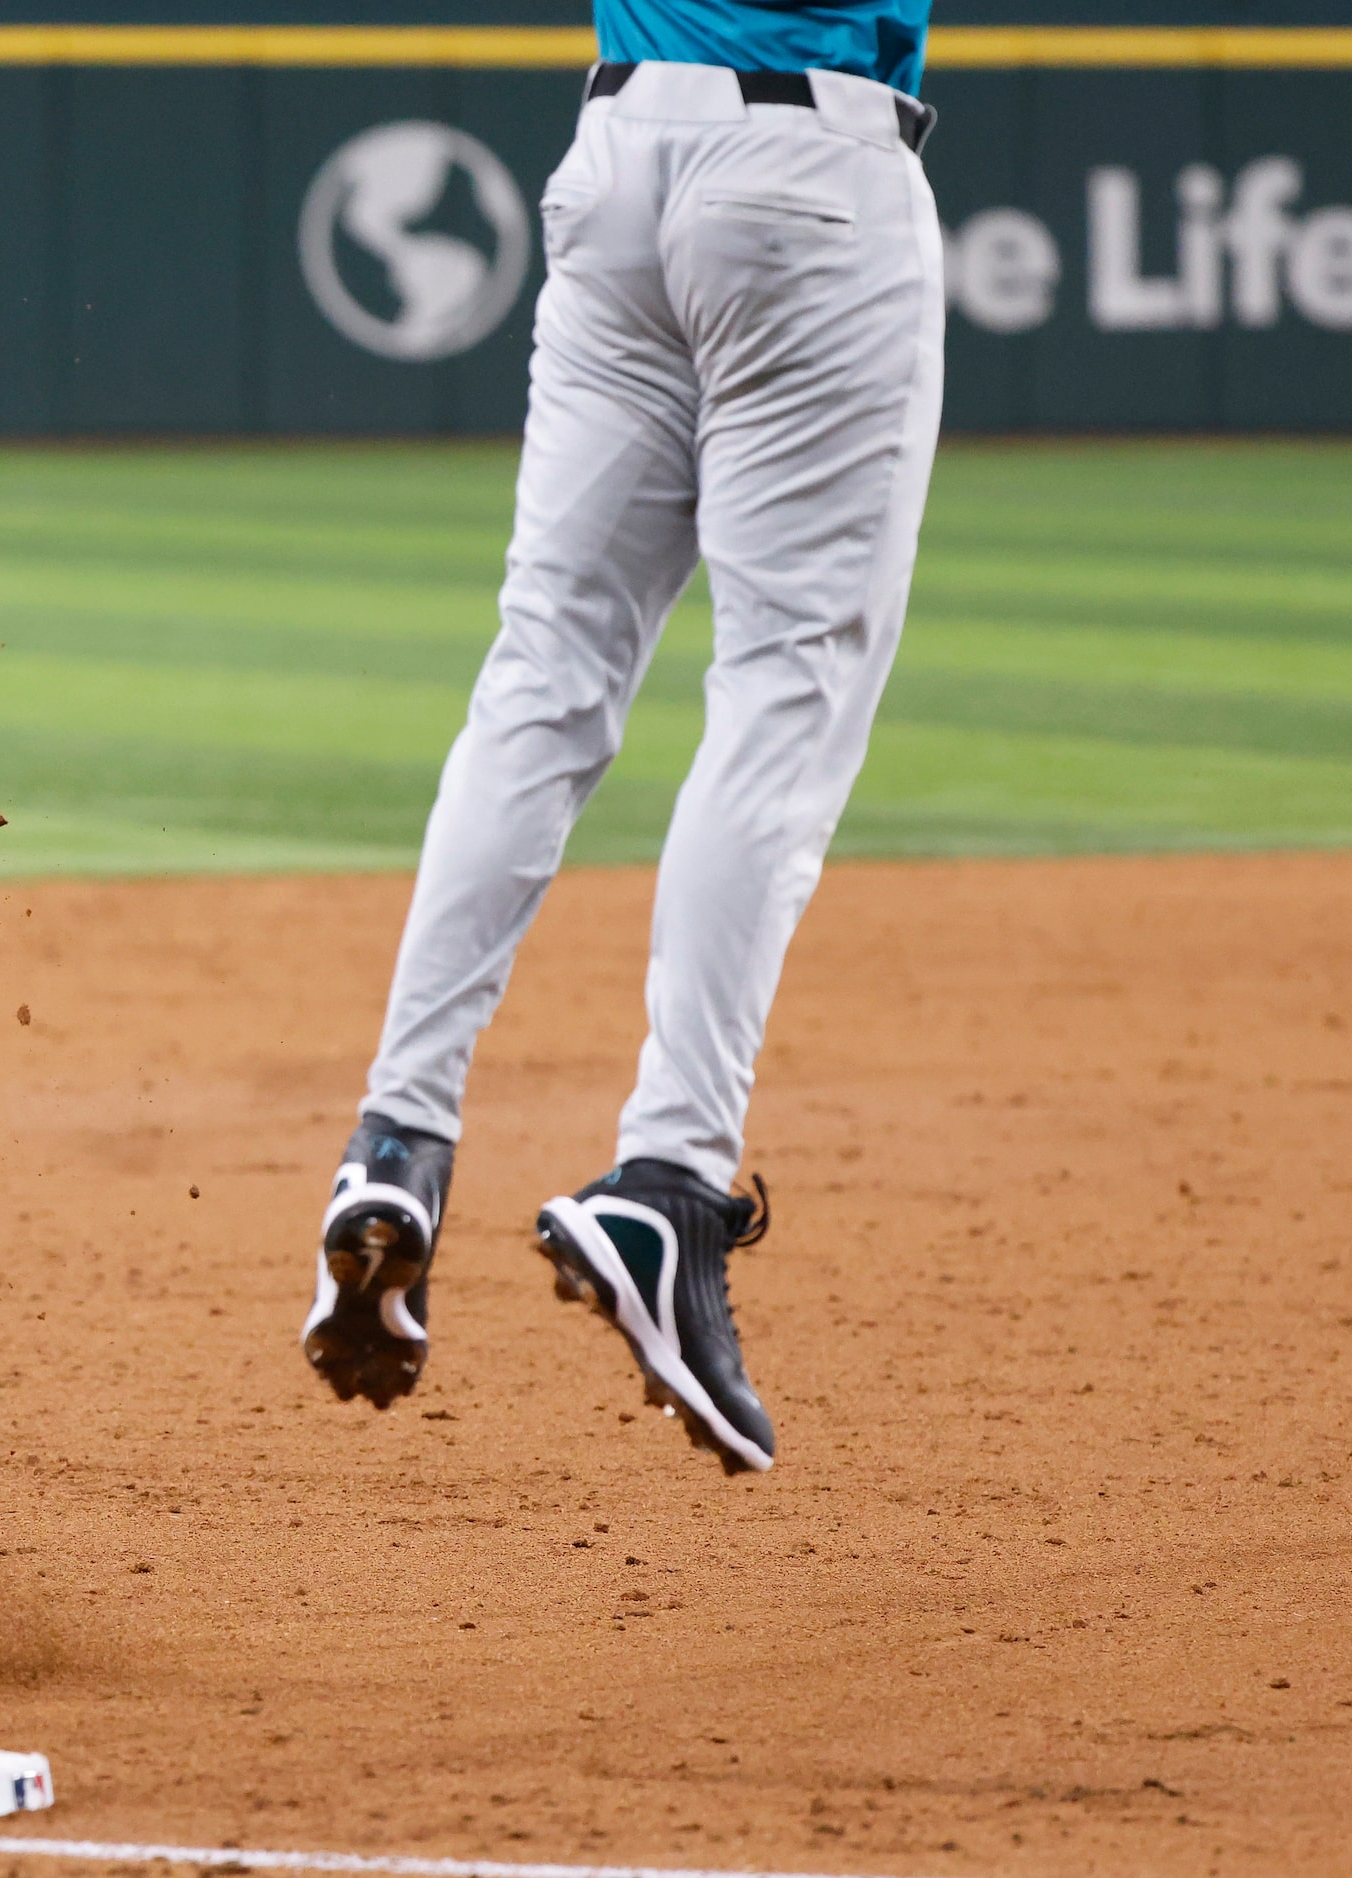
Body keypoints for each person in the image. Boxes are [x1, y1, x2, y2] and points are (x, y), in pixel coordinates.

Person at [300, 0, 943, 1475]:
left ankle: (398, 1135)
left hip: (620, 153)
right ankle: (671, 1171)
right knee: (787, 685)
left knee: (543, 673)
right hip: (811, 168)